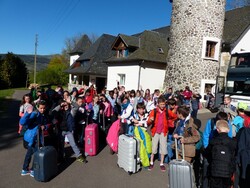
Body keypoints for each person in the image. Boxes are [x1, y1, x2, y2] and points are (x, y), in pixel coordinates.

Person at [20, 100, 50, 177]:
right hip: (31, 139)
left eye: (44, 108)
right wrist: (27, 113)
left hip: (35, 138)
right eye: (41, 108)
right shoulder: (35, 114)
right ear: (37, 107)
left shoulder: (42, 115)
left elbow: (44, 125)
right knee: (36, 154)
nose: (42, 110)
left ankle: (25, 169)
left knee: (29, 154)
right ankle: (33, 170)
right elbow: (22, 122)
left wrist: (45, 126)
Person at [147, 96, 177, 172]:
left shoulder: (167, 111)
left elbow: (175, 117)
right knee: (154, 147)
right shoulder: (153, 111)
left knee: (163, 148)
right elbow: (148, 123)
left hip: (164, 132)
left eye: (164, 104)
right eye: (161, 104)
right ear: (158, 104)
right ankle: (151, 162)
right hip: (155, 131)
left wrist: (170, 122)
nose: (163, 106)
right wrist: (150, 120)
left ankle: (161, 163)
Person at [205, 120, 236, 188]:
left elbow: (207, 153)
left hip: (215, 170)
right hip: (228, 171)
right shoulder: (232, 142)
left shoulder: (213, 141)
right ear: (228, 130)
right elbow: (234, 156)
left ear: (217, 130)